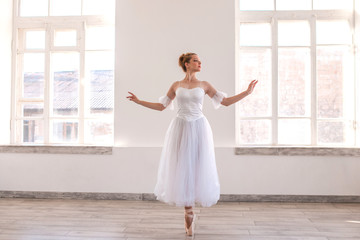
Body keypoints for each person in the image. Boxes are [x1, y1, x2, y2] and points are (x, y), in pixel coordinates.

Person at [127, 53, 257, 236]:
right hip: (180, 127)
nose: (200, 63)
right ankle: (188, 209)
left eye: (200, 60)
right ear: (187, 64)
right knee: (182, 166)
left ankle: (191, 209)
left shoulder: (204, 85)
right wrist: (139, 101)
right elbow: (161, 106)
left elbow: (225, 102)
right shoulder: (176, 85)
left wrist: (246, 92)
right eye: (196, 60)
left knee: (198, 165)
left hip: (199, 127)